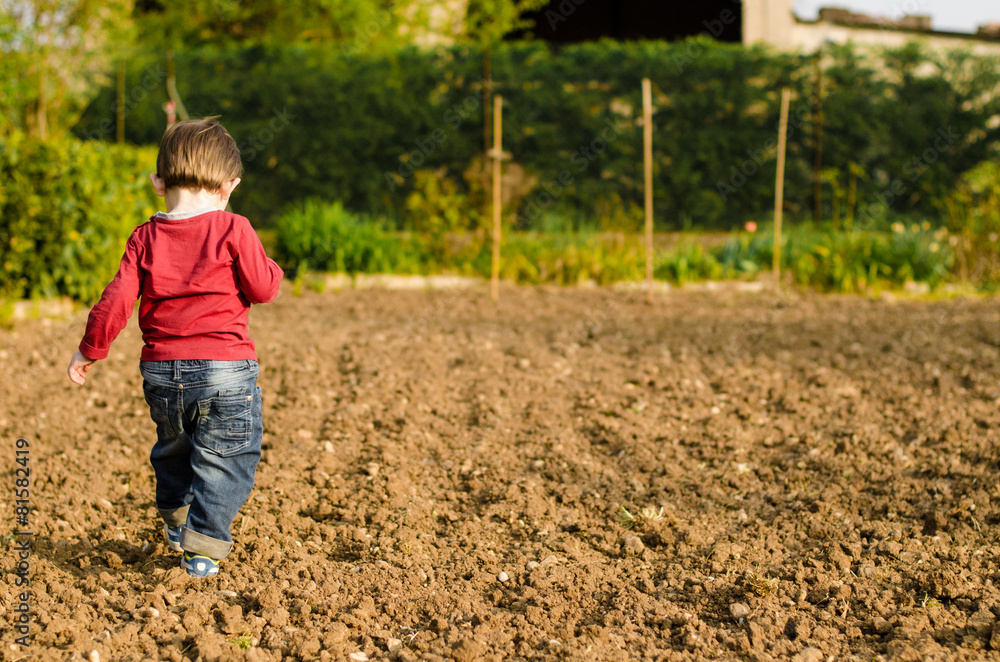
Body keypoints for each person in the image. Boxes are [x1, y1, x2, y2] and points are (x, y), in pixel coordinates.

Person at [67, 118, 283, 577]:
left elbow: (116, 300)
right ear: (230, 186)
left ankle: (177, 515)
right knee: (228, 456)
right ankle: (202, 545)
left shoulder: (145, 237)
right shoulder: (235, 228)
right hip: (227, 370)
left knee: (174, 447)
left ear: (157, 182)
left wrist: (89, 349)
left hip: (163, 372)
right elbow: (263, 289)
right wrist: (273, 267)